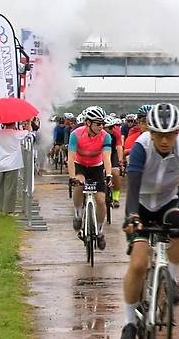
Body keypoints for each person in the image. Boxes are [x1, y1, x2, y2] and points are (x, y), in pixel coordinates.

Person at [120, 103, 179, 339]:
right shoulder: (140, 146)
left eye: (169, 135)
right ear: (150, 132)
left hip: (168, 201)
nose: (164, 141)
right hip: (140, 204)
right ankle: (129, 321)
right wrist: (131, 215)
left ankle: (171, 278)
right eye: (159, 135)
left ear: (177, 132)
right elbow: (133, 185)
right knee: (138, 264)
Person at [68, 106, 113, 250]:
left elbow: (106, 157)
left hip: (96, 166)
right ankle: (77, 213)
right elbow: (71, 157)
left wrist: (109, 174)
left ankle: (99, 231)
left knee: (100, 200)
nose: (101, 127)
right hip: (80, 164)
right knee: (79, 184)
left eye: (102, 124)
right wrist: (71, 177)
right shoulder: (76, 134)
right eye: (98, 123)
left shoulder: (105, 136)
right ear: (88, 123)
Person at [0, 122, 31, 216]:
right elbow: (28, 131)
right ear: (14, 124)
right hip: (12, 163)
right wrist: (29, 122)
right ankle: (9, 210)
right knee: (10, 188)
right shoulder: (16, 134)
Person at [104, 116, 124, 206]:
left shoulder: (116, 132)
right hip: (100, 153)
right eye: (110, 127)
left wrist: (120, 161)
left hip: (112, 153)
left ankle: (116, 197)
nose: (113, 129)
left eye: (114, 126)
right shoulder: (98, 133)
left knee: (115, 173)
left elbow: (119, 146)